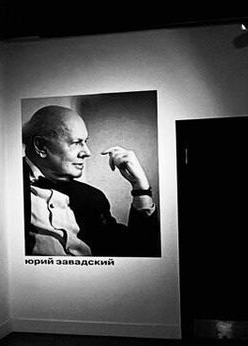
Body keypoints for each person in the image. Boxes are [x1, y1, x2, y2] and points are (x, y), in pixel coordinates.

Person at [23, 104, 160, 256]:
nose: (87, 152)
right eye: (76, 143)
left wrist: (140, 188)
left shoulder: (92, 198)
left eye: (85, 142)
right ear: (41, 146)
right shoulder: (6, 190)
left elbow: (140, 251)